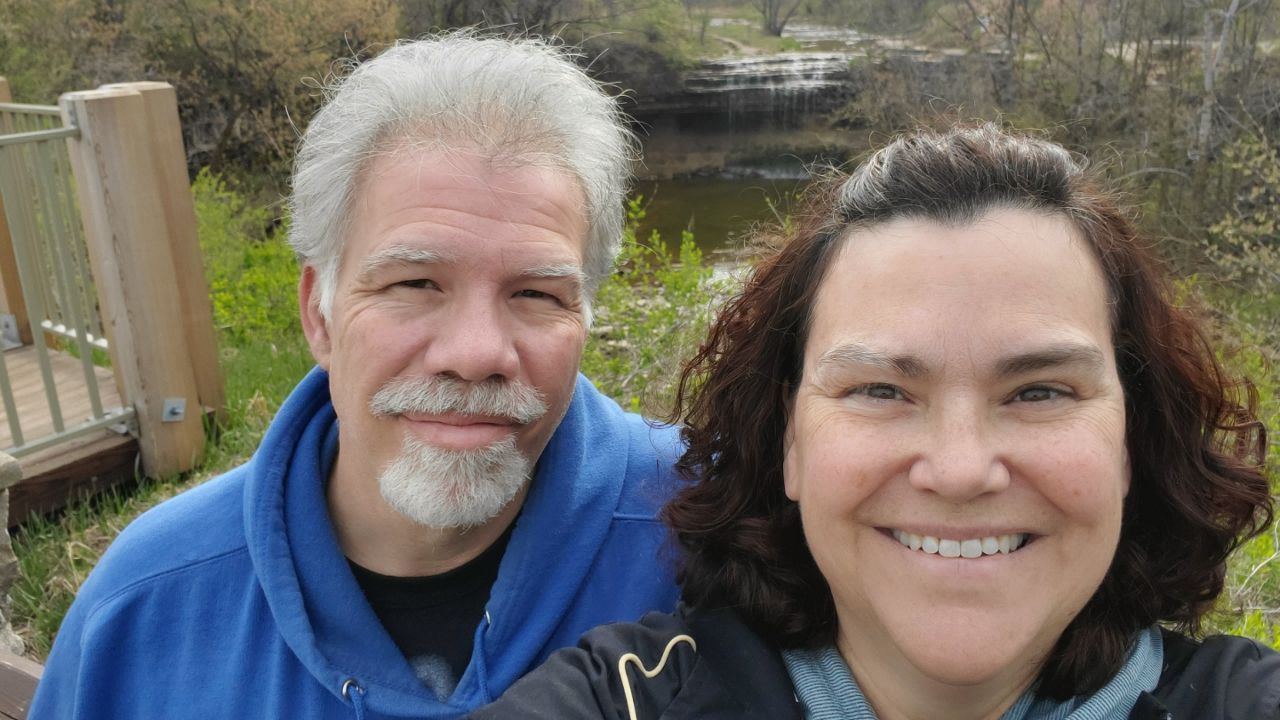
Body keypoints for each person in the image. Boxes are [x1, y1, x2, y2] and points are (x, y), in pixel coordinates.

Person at [466, 125, 1280, 720]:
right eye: (881, 391)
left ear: (1134, 440)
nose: (960, 470)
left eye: (1039, 392)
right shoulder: (621, 703)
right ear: (788, 440)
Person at [30, 33, 684, 719]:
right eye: (415, 283)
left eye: (536, 294)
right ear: (319, 313)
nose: (475, 352)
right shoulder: (144, 609)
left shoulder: (717, 532)